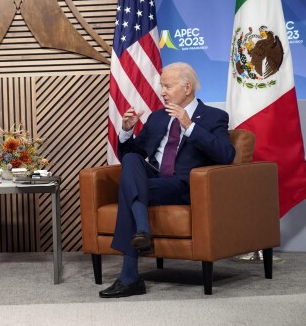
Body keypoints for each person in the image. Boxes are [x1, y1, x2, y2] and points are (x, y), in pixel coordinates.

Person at [100, 62, 236, 298]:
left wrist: (190, 126)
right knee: (132, 159)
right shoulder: (157, 118)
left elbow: (226, 155)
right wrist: (126, 131)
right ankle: (142, 230)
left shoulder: (215, 117)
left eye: (167, 86)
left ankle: (131, 275)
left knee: (128, 190)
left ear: (187, 87)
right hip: (154, 180)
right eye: (161, 86)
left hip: (184, 184)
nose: (162, 91)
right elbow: (130, 156)